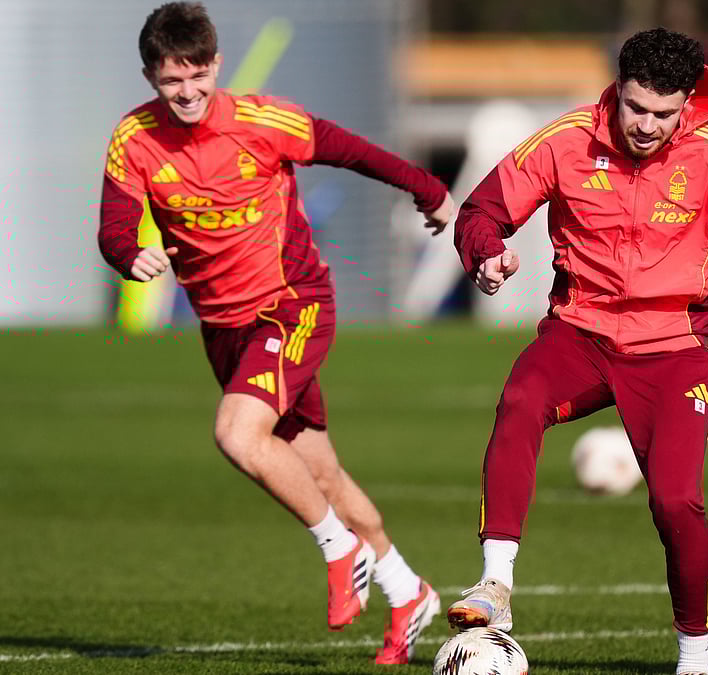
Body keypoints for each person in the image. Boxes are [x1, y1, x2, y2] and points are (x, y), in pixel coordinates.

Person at [447, 28, 708, 675]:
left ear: (687, 105)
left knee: (675, 501)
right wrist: (485, 253)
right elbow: (482, 210)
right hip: (578, 335)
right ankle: (495, 585)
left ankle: (695, 657)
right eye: (637, 108)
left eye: (664, 115)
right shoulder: (566, 140)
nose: (647, 125)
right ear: (619, 91)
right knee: (520, 399)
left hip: (672, 350)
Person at [96, 2, 450, 665]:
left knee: (237, 433)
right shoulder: (134, 139)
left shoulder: (263, 120)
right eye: (172, 80)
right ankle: (409, 591)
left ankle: (339, 550)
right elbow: (114, 225)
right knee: (322, 473)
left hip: (292, 305)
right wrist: (128, 254)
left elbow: (355, 151)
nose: (188, 92)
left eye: (198, 75)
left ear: (216, 65)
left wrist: (428, 189)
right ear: (150, 77)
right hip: (224, 329)